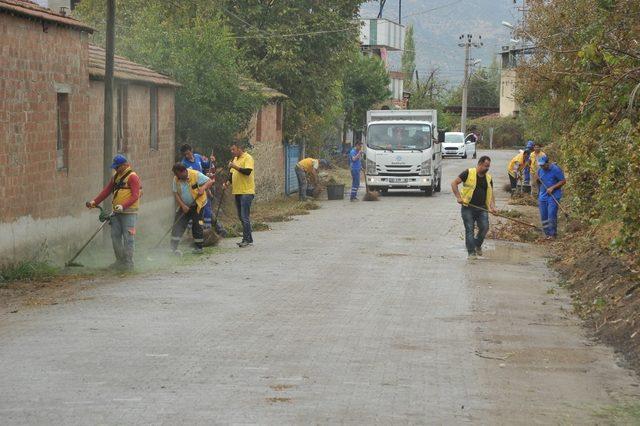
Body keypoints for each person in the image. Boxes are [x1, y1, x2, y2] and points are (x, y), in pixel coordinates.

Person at [86, 154, 141, 270]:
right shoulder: (116, 176)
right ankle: (119, 261)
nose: (115, 169)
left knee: (128, 238)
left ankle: (128, 264)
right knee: (115, 236)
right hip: (117, 213)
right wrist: (94, 202)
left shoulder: (133, 177)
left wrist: (123, 205)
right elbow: (106, 191)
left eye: (117, 167)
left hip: (129, 213)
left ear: (125, 165)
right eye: (115, 167)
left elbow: (136, 195)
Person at [451, 156, 497, 259]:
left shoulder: (488, 177)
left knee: (485, 227)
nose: (487, 168)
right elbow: (454, 183)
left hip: (482, 208)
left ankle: (477, 245)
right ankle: (471, 253)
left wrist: (493, 206)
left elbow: (491, 193)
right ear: (480, 164)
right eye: (486, 166)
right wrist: (458, 197)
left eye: (488, 167)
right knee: (469, 229)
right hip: (468, 207)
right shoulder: (468, 172)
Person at [170, 163, 214, 254]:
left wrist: (203, 188)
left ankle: (199, 248)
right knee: (178, 224)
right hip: (184, 205)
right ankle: (173, 248)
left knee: (197, 224)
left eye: (178, 174)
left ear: (184, 171)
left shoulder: (195, 174)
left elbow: (210, 181)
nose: (177, 177)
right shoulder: (176, 179)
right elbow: (175, 193)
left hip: (198, 205)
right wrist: (183, 206)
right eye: (176, 175)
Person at [180, 144, 215, 230]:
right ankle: (192, 231)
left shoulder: (198, 157)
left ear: (191, 150)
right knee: (195, 211)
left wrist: (211, 161)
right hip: (193, 191)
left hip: (204, 187)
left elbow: (206, 165)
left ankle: (208, 230)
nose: (187, 156)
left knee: (207, 208)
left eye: (188, 153)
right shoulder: (183, 164)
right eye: (185, 155)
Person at [228, 143, 255, 247]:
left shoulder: (248, 158)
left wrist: (234, 166)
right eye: (231, 150)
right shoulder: (235, 159)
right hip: (237, 191)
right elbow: (231, 175)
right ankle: (249, 238)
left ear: (239, 149)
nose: (232, 151)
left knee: (244, 216)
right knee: (241, 216)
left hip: (247, 192)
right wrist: (226, 183)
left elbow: (247, 171)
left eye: (233, 149)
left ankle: (246, 240)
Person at [536, 155, 566, 239]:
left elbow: (563, 181)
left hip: (553, 196)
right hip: (542, 195)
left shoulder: (556, 169)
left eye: (543, 165)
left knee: (551, 214)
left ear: (547, 163)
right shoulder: (540, 170)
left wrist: (552, 188)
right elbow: (538, 182)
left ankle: (553, 234)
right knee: (543, 215)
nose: (542, 167)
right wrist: (537, 182)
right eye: (540, 165)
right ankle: (547, 234)